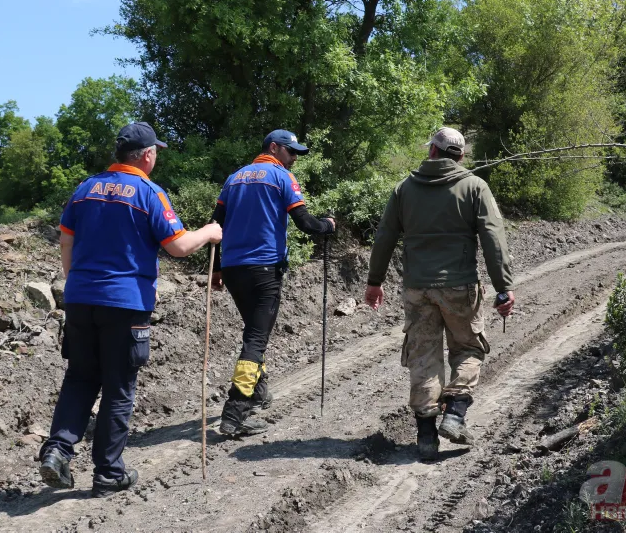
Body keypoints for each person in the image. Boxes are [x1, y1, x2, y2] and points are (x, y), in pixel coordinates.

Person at [39, 122, 222, 496]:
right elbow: (178, 246)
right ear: (147, 155)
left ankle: (57, 451)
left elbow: (66, 242)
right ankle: (108, 472)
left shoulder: (85, 189)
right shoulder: (150, 193)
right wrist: (210, 232)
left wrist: (75, 285)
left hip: (79, 299)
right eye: (156, 150)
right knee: (119, 387)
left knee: (80, 377)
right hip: (124, 304)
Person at [364, 127, 515, 460]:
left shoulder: (404, 189)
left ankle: (426, 437)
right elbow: (493, 239)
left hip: (417, 289)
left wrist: (375, 281)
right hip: (460, 286)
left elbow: (385, 236)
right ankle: (456, 412)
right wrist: (503, 288)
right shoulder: (474, 186)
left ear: (432, 151)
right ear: (460, 156)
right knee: (468, 349)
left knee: (423, 356)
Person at [210, 129, 335, 436]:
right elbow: (306, 224)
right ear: (275, 148)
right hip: (265, 269)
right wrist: (328, 225)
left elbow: (215, 225)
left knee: (254, 330)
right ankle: (234, 413)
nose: (294, 158)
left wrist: (214, 269)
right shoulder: (281, 177)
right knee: (256, 340)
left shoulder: (234, 179)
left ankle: (256, 391)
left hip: (232, 268)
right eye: (291, 152)